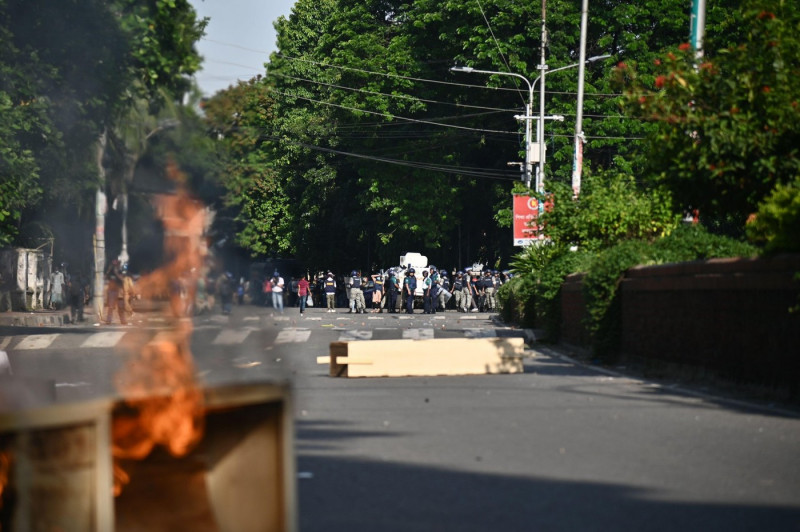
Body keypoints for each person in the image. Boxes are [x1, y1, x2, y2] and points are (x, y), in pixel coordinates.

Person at [104, 259, 127, 325]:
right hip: (112, 291)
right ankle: (108, 321)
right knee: (111, 307)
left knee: (121, 307)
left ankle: (123, 321)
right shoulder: (110, 272)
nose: (115, 266)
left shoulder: (121, 271)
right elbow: (105, 277)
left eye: (116, 265)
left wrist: (116, 273)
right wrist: (109, 270)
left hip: (119, 291)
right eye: (114, 265)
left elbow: (122, 279)